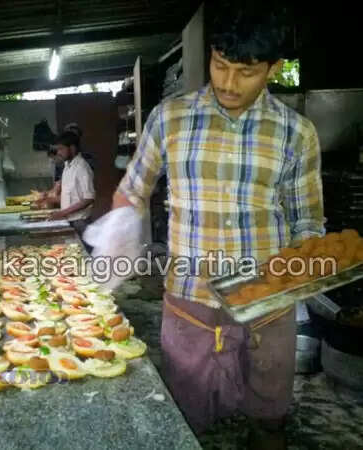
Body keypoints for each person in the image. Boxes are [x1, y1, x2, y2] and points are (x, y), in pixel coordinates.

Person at [110, 6, 324, 449]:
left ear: (273, 69)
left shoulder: (296, 133)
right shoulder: (170, 118)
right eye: (220, 64)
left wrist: (304, 266)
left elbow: (307, 220)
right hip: (192, 300)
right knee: (185, 421)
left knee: (269, 420)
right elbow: (132, 190)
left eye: (246, 72)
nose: (228, 82)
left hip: (267, 304)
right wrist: (117, 240)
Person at [49, 131, 95, 245]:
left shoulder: (82, 167)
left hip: (80, 222)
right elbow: (70, 195)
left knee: (85, 252)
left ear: (72, 148)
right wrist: (48, 200)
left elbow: (88, 199)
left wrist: (62, 213)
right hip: (69, 220)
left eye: (61, 149)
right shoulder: (67, 166)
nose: (58, 153)